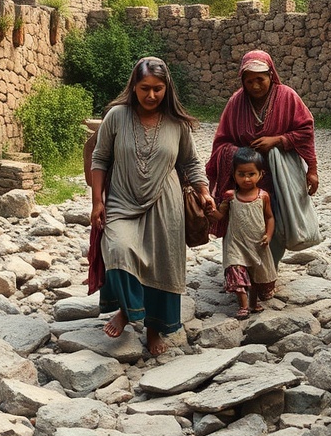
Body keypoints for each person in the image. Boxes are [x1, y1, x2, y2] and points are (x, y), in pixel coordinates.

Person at [89, 56, 214, 356]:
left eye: (158, 89)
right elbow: (100, 158)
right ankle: (129, 310)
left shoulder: (177, 123)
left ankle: (154, 329)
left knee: (161, 263)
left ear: (167, 88)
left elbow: (191, 163)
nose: (151, 95)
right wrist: (97, 201)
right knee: (118, 250)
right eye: (144, 88)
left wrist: (205, 192)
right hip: (121, 198)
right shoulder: (116, 117)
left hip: (165, 202)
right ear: (134, 87)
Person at [206, 50, 318, 270]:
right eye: (249, 81)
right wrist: (239, 154)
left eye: (260, 79)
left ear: (271, 75)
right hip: (244, 176)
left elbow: (306, 129)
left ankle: (268, 268)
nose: (255, 86)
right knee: (240, 220)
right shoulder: (236, 102)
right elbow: (221, 140)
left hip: (278, 175)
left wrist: (279, 141)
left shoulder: (287, 96)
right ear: (243, 81)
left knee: (274, 218)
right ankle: (240, 269)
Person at [206, 147, 277, 320]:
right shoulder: (230, 196)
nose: (246, 179)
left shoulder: (263, 196)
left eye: (251, 174)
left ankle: (253, 303)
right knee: (236, 272)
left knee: (255, 277)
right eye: (241, 174)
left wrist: (268, 235)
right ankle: (243, 306)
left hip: (256, 244)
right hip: (235, 243)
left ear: (261, 174)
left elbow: (269, 218)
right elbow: (220, 216)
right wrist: (210, 211)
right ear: (233, 174)